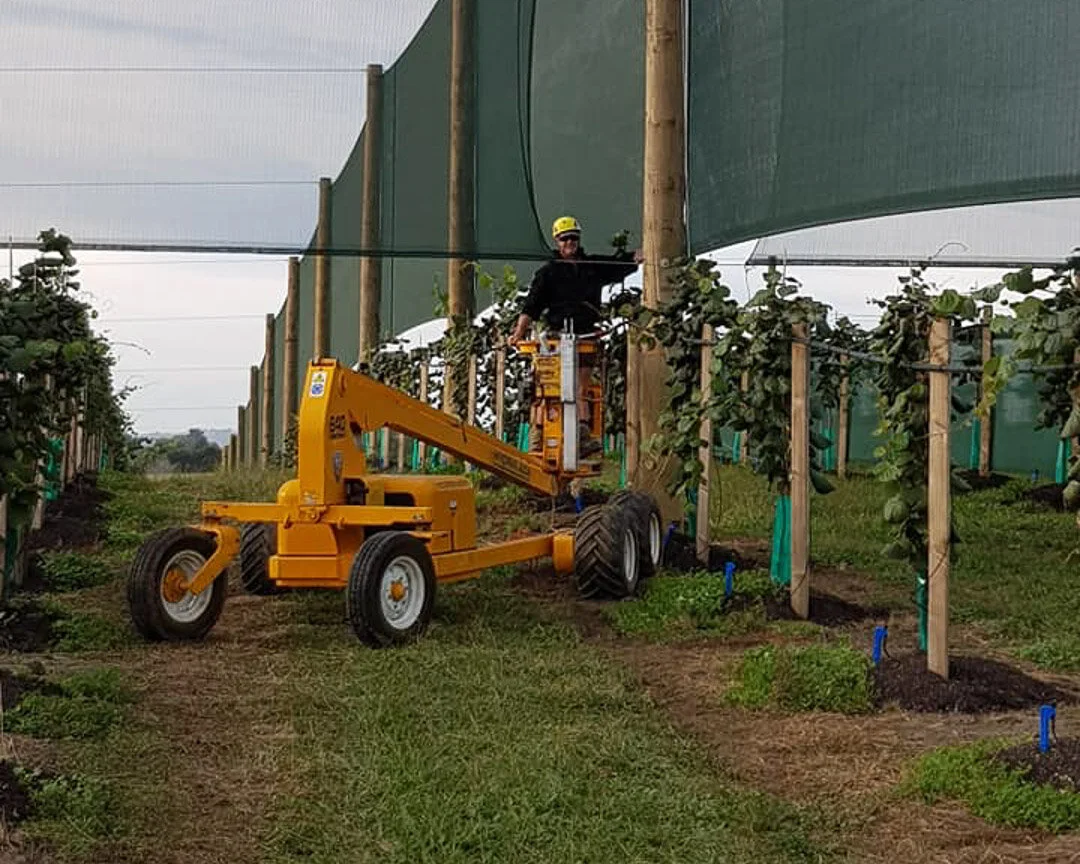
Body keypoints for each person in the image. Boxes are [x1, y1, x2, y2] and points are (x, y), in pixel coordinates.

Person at [509, 215, 643, 456]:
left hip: (585, 335)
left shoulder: (591, 267)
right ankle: (538, 439)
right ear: (557, 242)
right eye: (564, 239)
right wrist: (519, 331)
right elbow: (532, 306)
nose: (569, 242)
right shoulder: (548, 273)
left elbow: (617, 266)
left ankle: (582, 436)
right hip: (555, 338)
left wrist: (638, 256)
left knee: (580, 386)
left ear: (578, 239)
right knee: (547, 389)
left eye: (573, 238)